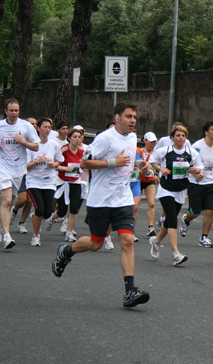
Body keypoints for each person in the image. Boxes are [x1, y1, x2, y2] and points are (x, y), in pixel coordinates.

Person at [52, 101, 151, 308]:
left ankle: (129, 291)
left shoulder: (133, 138)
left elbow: (128, 161)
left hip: (122, 199)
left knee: (127, 241)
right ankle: (67, 251)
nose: (133, 121)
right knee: (96, 243)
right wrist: (112, 162)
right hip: (101, 200)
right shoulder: (104, 139)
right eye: (128, 116)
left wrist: (140, 165)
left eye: (134, 117)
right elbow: (85, 163)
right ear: (117, 118)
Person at [0, 98, 39, 249]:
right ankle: (7, 236)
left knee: (9, 202)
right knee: (7, 201)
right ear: (6, 111)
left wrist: (23, 142)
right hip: (2, 167)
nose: (14, 113)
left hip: (18, 169)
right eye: (11, 110)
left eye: (17, 110)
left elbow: (35, 147)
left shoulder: (26, 126)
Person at [147, 125, 202, 265]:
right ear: (172, 137)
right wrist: (160, 168)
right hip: (166, 188)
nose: (181, 138)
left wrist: (195, 171)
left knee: (170, 220)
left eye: (183, 135)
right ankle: (176, 254)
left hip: (181, 189)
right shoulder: (165, 150)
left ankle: (156, 241)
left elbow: (199, 169)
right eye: (178, 135)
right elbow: (152, 159)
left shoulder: (191, 152)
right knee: (172, 218)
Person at [178, 121, 213, 248]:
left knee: (210, 211)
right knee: (196, 213)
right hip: (195, 184)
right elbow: (186, 164)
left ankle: (204, 237)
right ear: (206, 132)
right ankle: (186, 220)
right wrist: (195, 174)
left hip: (210, 183)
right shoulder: (196, 147)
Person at [26, 119, 64, 246]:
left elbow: (59, 160)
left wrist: (54, 164)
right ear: (38, 128)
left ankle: (36, 217)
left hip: (49, 181)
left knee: (48, 212)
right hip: (34, 181)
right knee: (39, 208)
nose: (47, 129)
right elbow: (25, 166)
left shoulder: (54, 144)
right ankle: (36, 235)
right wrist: (36, 162)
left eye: (49, 127)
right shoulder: (32, 145)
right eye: (45, 127)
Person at [44, 128, 86, 242]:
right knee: (62, 210)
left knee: (74, 208)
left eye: (79, 137)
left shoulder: (82, 152)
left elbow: (85, 166)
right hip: (63, 182)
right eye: (75, 137)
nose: (77, 139)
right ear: (69, 138)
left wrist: (83, 167)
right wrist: (65, 168)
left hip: (76, 182)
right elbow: (54, 165)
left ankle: (69, 232)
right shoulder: (63, 150)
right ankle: (51, 219)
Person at [139, 132, 158, 237]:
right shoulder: (140, 151)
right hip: (139, 179)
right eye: (151, 142)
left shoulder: (156, 152)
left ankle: (151, 227)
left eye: (154, 142)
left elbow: (155, 165)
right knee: (135, 205)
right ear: (145, 141)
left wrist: (155, 174)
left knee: (151, 203)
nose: (153, 144)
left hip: (150, 180)